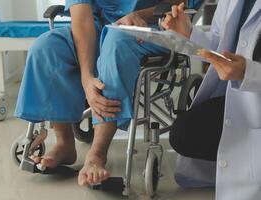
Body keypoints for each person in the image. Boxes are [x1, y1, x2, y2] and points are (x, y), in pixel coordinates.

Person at [15, 0, 188, 186]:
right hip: (101, 27)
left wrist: (142, 15)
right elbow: (81, 19)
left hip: (155, 26)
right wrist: (86, 77)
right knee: (46, 48)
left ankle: (97, 154)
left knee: (115, 43)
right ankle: (64, 143)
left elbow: (182, 2)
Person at [162, 1, 261, 199]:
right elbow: (220, 44)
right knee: (185, 134)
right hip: (245, 97)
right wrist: (190, 34)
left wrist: (249, 73)